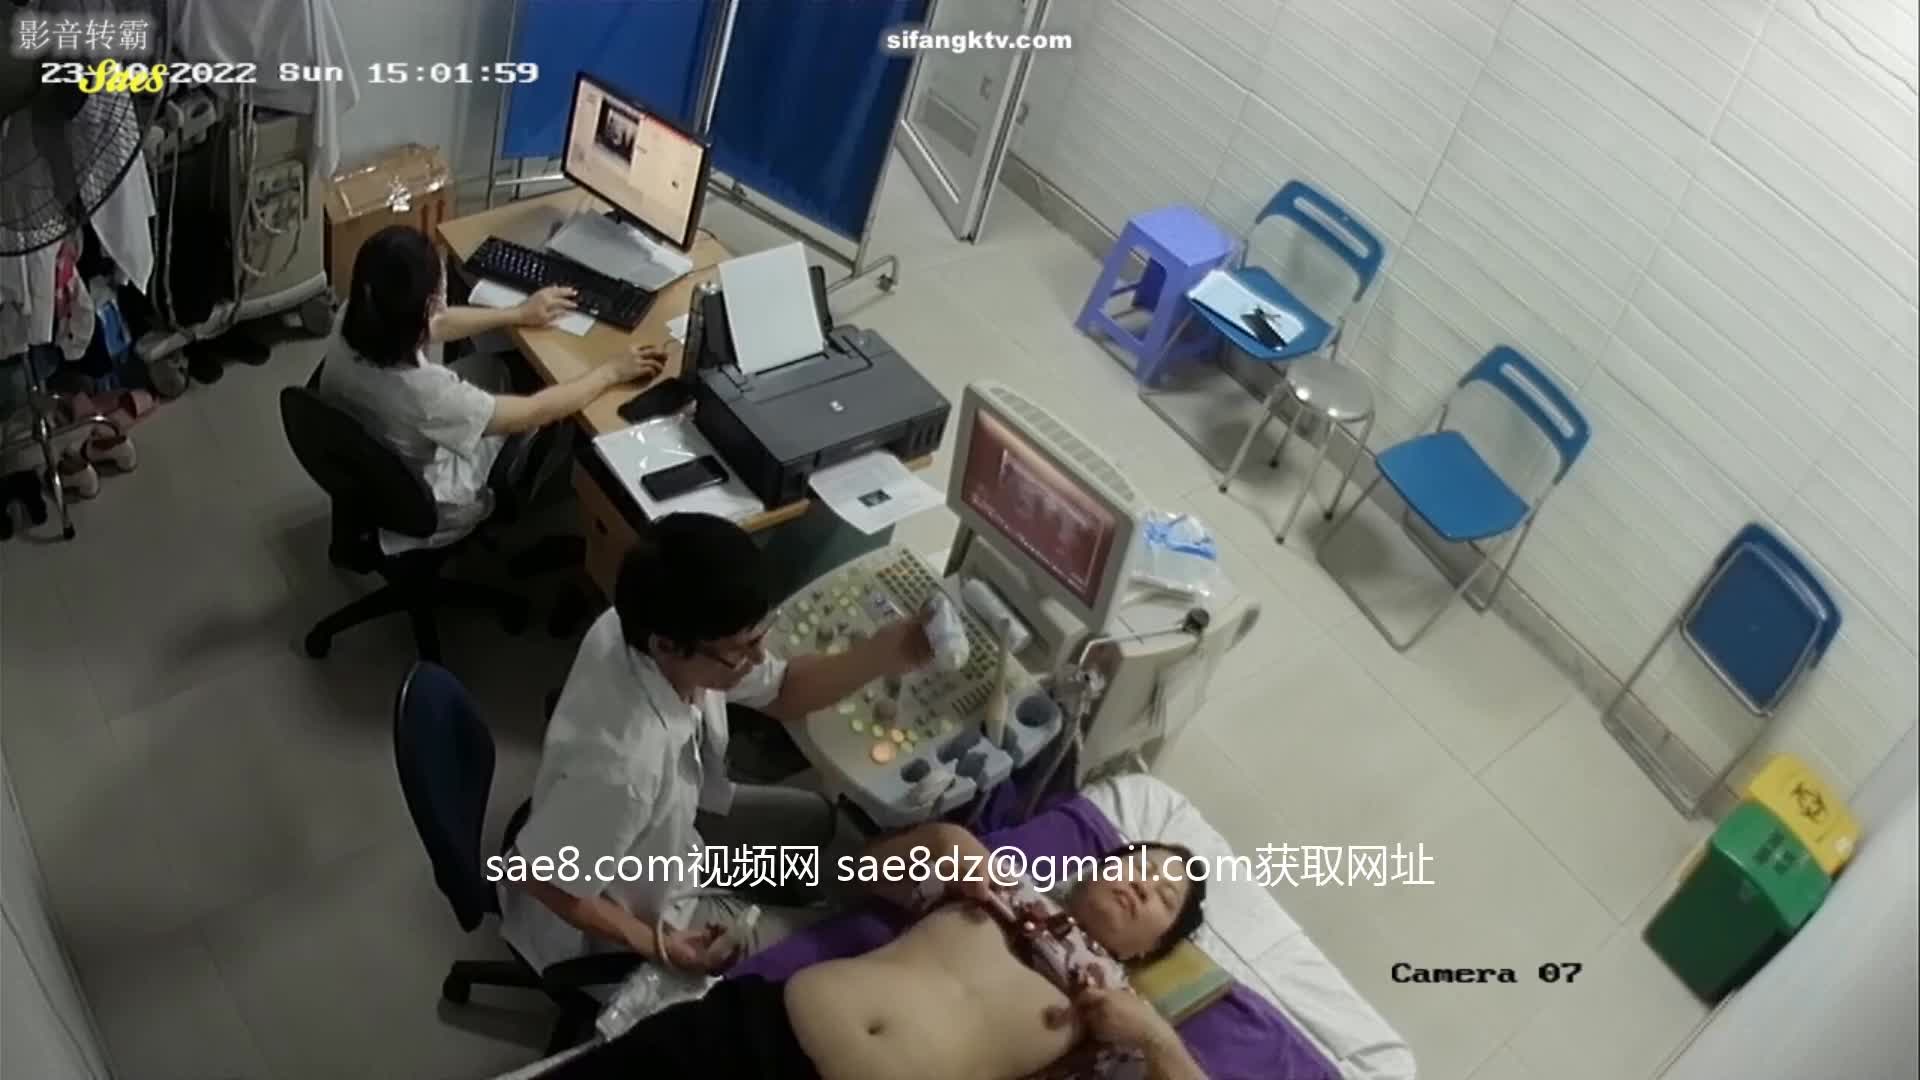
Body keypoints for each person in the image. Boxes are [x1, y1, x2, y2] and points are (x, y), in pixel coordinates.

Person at [499, 512, 936, 978]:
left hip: (664, 838)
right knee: (845, 939)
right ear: (668, 645)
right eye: (742, 647)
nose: (758, 658)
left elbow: (783, 690)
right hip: (630, 910)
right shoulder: (627, 768)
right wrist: (660, 945)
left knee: (818, 822)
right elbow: (537, 875)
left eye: (758, 636)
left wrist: (881, 654)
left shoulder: (642, 623)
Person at [543, 822, 1212, 1080]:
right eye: (1139, 866)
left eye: (1162, 896)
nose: (1141, 885)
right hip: (757, 1027)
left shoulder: (1121, 1021)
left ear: (1154, 947)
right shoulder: (999, 882)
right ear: (1097, 868)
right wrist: (941, 842)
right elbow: (861, 872)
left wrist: (1155, 1036)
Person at [316, 224, 662, 543]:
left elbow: (437, 323)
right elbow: (533, 411)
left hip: (377, 450)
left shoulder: (359, 313)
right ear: (426, 306)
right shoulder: (425, 393)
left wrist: (518, 313)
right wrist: (610, 372)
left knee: (496, 370)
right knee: (545, 410)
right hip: (433, 502)